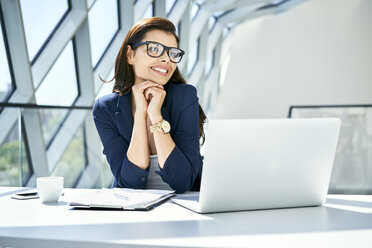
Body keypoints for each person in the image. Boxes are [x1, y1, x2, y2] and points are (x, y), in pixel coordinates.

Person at [92, 17, 207, 193]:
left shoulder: (185, 96)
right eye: (154, 49)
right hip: (131, 211)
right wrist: (140, 115)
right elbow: (129, 184)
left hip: (184, 208)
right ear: (130, 55)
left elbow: (182, 181)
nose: (166, 60)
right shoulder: (105, 109)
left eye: (172, 53)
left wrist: (155, 116)